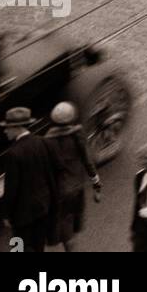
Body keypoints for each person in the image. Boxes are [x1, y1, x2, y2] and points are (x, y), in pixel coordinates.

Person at [45, 101, 100, 252]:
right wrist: (96, 184)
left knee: (65, 227)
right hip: (77, 188)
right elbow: (88, 162)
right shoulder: (78, 135)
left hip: (60, 192)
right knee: (72, 222)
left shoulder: (47, 141)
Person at [0, 106, 56, 252]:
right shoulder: (43, 142)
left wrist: (6, 214)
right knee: (39, 245)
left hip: (22, 214)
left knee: (19, 246)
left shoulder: (13, 153)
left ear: (16, 128)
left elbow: (11, 188)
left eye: (7, 127)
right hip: (43, 206)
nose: (5, 131)